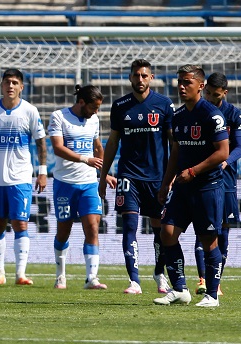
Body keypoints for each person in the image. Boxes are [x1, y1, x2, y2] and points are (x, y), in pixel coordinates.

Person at [154, 64, 228, 307]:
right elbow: (175, 153)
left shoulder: (211, 115)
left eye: (187, 82)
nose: (182, 86)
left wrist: (194, 171)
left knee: (208, 240)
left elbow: (222, 152)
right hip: (182, 187)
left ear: (201, 86)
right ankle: (180, 289)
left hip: (207, 187)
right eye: (180, 82)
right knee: (167, 233)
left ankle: (212, 295)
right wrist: (165, 184)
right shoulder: (177, 116)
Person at [98, 59, 174, 295]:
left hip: (157, 177)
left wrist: (171, 176)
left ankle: (159, 274)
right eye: (136, 75)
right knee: (129, 225)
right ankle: (134, 280)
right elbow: (112, 142)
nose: (140, 79)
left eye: (144, 75)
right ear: (130, 77)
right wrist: (103, 176)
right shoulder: (120, 105)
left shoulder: (164, 104)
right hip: (128, 175)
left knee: (161, 229)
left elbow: (173, 143)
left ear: (151, 78)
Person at [0, 68, 47, 286]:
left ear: (21, 87)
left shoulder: (30, 111)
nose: (10, 86)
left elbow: (41, 142)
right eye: (7, 82)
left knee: (20, 223)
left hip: (20, 178)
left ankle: (20, 274)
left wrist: (42, 172)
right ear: (2, 85)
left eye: (14, 82)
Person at [48, 85, 112, 290]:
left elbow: (98, 147)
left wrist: (104, 174)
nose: (96, 112)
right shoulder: (59, 117)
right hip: (65, 183)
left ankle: (91, 278)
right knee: (63, 231)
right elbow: (58, 148)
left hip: (89, 183)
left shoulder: (93, 120)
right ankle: (60, 275)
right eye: (93, 107)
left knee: (92, 226)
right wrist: (85, 159)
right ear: (81, 102)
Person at [194, 72, 241, 296]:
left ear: (224, 93)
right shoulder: (197, 112)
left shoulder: (234, 114)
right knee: (203, 230)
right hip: (201, 177)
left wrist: (225, 161)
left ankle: (216, 280)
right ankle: (202, 279)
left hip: (226, 181)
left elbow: (240, 147)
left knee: (223, 232)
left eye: (216, 95)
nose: (211, 98)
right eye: (208, 93)